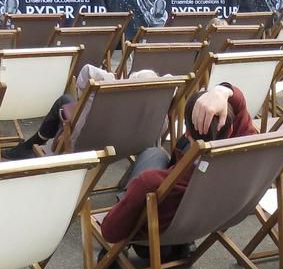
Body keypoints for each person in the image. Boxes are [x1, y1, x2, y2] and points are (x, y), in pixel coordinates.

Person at [97, 83, 257, 247]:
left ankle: (124, 203)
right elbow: (240, 104)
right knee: (157, 154)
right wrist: (222, 91)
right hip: (202, 223)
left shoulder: (151, 181)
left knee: (154, 154)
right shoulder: (249, 154)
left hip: (153, 238)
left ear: (188, 134)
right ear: (230, 128)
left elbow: (110, 232)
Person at [2, 63, 164, 160]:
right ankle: (34, 143)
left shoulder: (117, 99)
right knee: (66, 101)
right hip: (125, 144)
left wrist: (115, 81)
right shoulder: (156, 115)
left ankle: (32, 144)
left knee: (64, 101)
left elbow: (87, 72)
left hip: (90, 141)